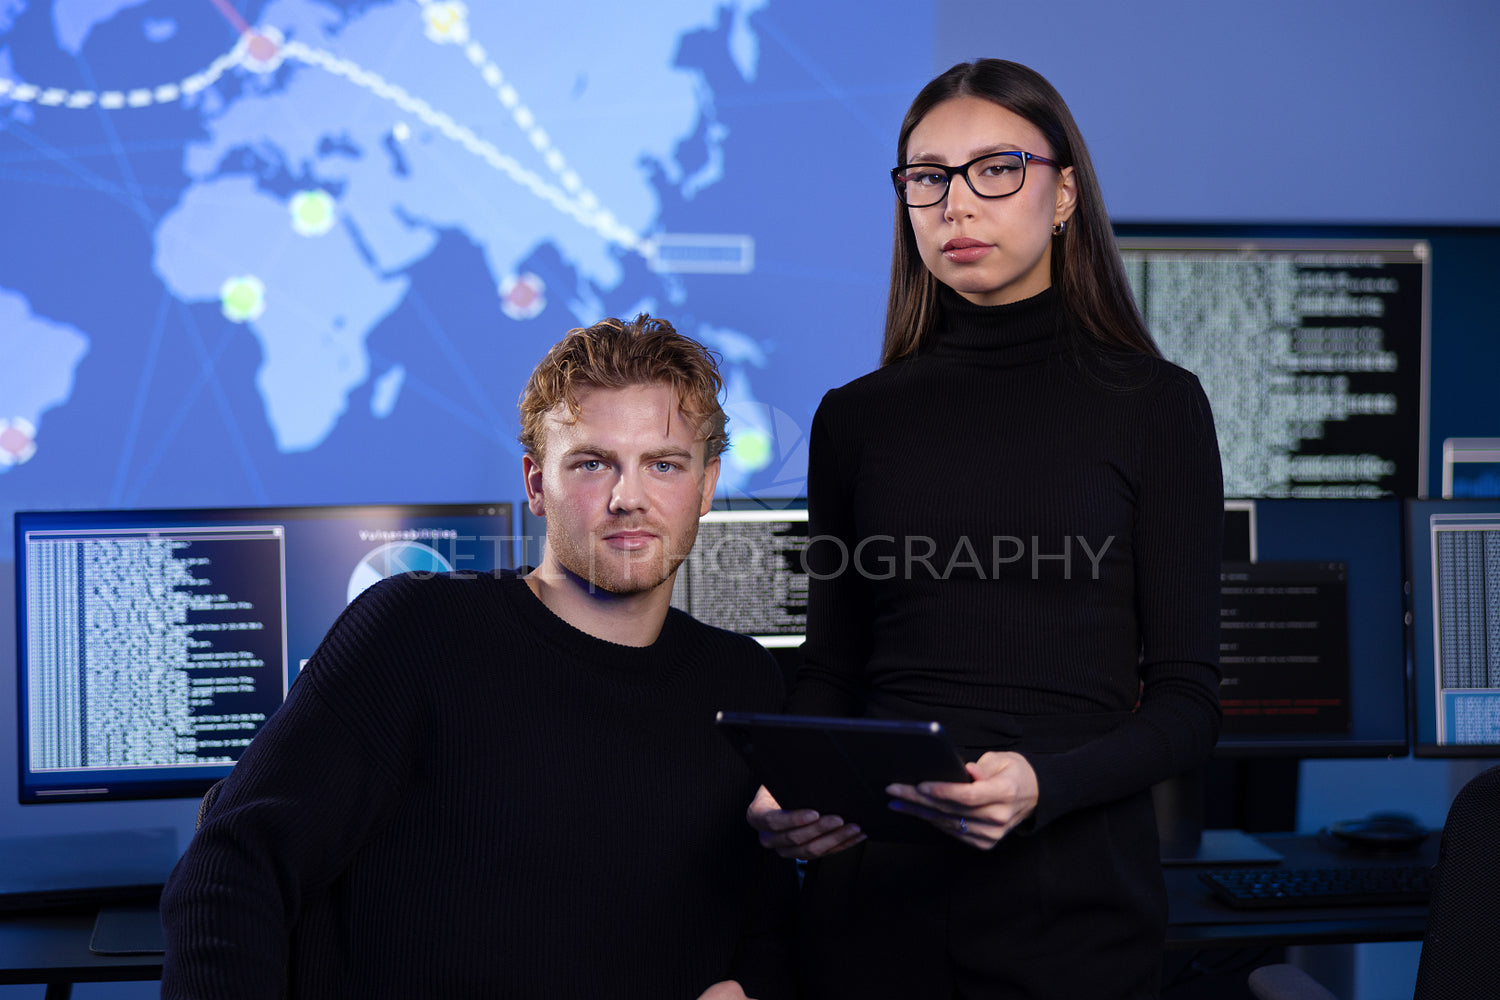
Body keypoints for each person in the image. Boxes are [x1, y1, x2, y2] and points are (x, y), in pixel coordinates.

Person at [748, 59, 1223, 999]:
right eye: (928, 177)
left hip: (1072, 912)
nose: (957, 204)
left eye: (995, 168)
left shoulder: (1156, 406)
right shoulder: (856, 419)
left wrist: (1044, 783)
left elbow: (1187, 706)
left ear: (1063, 195)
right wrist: (792, 781)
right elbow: (834, 664)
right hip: (872, 906)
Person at [160, 315, 796, 1000]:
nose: (628, 498)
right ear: (534, 483)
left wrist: (751, 986)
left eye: (663, 465)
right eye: (591, 463)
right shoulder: (415, 632)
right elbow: (231, 867)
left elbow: (774, 929)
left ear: (706, 486)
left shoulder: (743, 682)